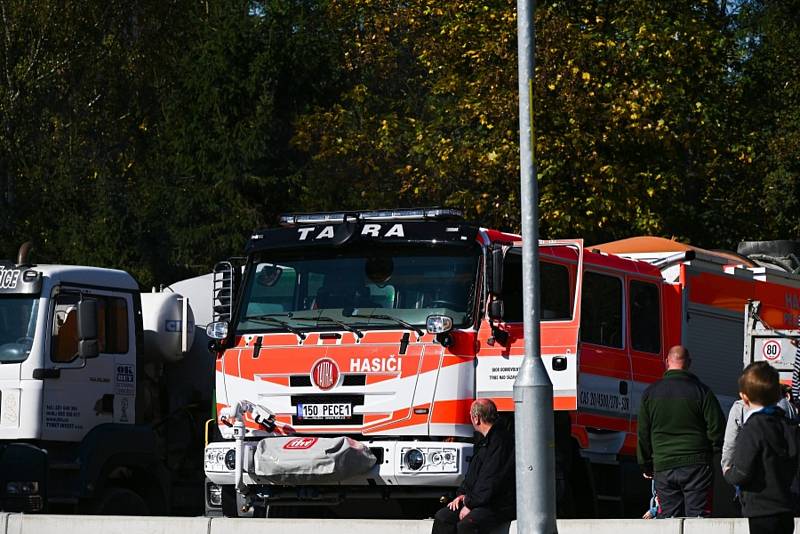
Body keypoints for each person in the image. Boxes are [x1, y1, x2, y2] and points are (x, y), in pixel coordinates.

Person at [637, 345, 725, 518]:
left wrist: (646, 463)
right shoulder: (702, 392)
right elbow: (718, 429)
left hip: (663, 466)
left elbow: (643, 433)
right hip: (697, 466)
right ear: (689, 363)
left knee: (668, 519)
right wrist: (708, 453)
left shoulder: (650, 393)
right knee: (698, 520)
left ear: (666, 362)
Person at [723, 362, 800, 534]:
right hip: (787, 508)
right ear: (777, 395)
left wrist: (729, 473)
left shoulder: (752, 429)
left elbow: (743, 472)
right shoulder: (789, 426)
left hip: (761, 510)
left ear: (744, 397)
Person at [431, 399, 515, 534]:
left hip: (498, 504)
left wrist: (470, 503)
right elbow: (473, 475)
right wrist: (462, 495)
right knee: (443, 517)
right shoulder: (483, 441)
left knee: (467, 525)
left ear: (476, 418)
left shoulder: (500, 441)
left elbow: (491, 480)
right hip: (479, 500)